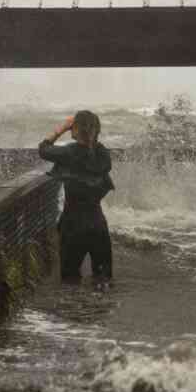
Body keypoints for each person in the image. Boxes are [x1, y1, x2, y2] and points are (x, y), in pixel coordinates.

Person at [39, 110, 115, 280]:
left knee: (69, 279)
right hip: (98, 225)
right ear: (97, 131)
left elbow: (43, 149)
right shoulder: (103, 154)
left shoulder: (68, 153)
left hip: (72, 225)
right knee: (103, 280)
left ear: (75, 130)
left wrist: (61, 129)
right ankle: (101, 307)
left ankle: (75, 307)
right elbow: (93, 151)